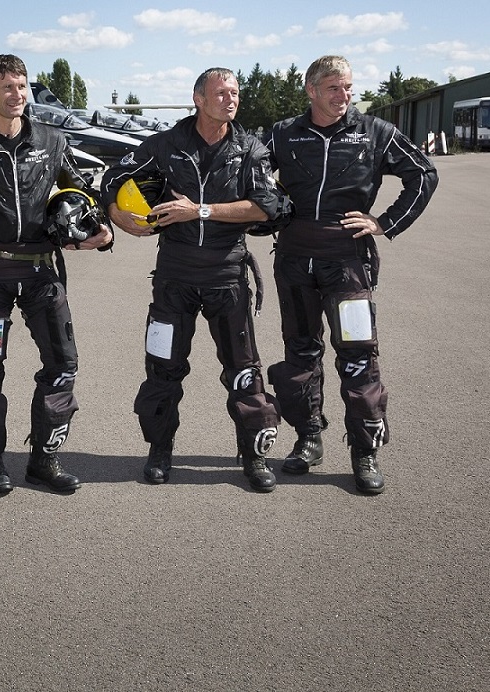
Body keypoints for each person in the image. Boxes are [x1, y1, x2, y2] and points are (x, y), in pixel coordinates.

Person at [100, 68, 283, 491]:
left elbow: (267, 207)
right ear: (198, 98)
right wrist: (117, 213)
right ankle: (160, 450)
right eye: (221, 92)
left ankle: (253, 455)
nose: (230, 99)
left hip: (228, 278)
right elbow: (114, 176)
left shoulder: (249, 149)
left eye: (235, 92)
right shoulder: (166, 145)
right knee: (162, 370)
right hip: (174, 279)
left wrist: (199, 210)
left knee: (243, 372)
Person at [265, 55, 437, 494]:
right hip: (294, 262)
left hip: (348, 264)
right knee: (300, 355)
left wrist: (384, 222)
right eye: (333, 89)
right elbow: (248, 174)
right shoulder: (284, 133)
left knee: (359, 357)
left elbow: (423, 174)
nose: (343, 97)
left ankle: (365, 452)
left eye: (348, 89)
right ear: (311, 90)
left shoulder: (375, 132)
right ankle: (308, 438)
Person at [0, 54, 112, 496]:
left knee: (62, 365)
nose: (16, 95)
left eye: (21, 86)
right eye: (6, 87)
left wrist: (98, 229)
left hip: (43, 273)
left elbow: (79, 189)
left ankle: (44, 460)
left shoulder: (52, 140)